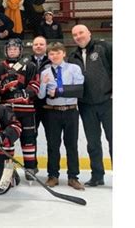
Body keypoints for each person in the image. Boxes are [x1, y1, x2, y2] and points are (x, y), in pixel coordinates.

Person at [68, 24, 112, 187]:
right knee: (93, 142)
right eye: (74, 34)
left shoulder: (104, 47)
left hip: (108, 102)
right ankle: (97, 175)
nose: (78, 36)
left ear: (89, 33)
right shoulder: (72, 56)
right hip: (86, 105)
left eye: (81, 33)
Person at [38, 42, 85, 190]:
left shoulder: (74, 68)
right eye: (51, 53)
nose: (54, 56)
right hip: (52, 112)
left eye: (57, 52)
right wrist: (44, 85)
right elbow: (41, 95)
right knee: (53, 145)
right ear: (48, 56)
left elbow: (78, 89)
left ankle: (73, 177)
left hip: (71, 111)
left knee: (71, 145)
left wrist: (59, 91)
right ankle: (53, 176)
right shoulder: (45, 72)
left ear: (64, 53)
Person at [0, 38, 40, 181]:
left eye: (15, 49)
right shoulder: (0, 67)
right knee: (7, 139)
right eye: (10, 49)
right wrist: (2, 88)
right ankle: (9, 169)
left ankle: (30, 168)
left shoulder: (31, 65)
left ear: (20, 50)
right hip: (7, 111)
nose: (12, 51)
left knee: (28, 140)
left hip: (26, 110)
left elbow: (35, 84)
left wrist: (26, 93)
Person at [30, 36, 51, 138]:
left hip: (49, 105)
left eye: (41, 44)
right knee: (32, 136)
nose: (38, 46)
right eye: (36, 44)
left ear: (46, 46)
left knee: (52, 138)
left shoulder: (52, 60)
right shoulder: (25, 61)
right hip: (31, 105)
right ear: (32, 46)